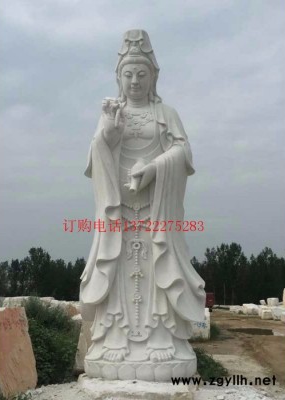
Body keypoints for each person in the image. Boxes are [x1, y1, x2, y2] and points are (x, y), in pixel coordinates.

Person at [80, 29, 205, 380]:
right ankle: (114, 339)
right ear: (119, 78)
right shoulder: (112, 113)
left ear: (153, 77)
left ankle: (162, 338)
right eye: (128, 74)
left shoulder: (166, 113)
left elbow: (183, 153)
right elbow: (96, 155)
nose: (135, 81)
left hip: (156, 212)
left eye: (141, 74)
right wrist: (108, 132)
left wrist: (154, 168)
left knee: (158, 271)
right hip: (119, 212)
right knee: (118, 271)